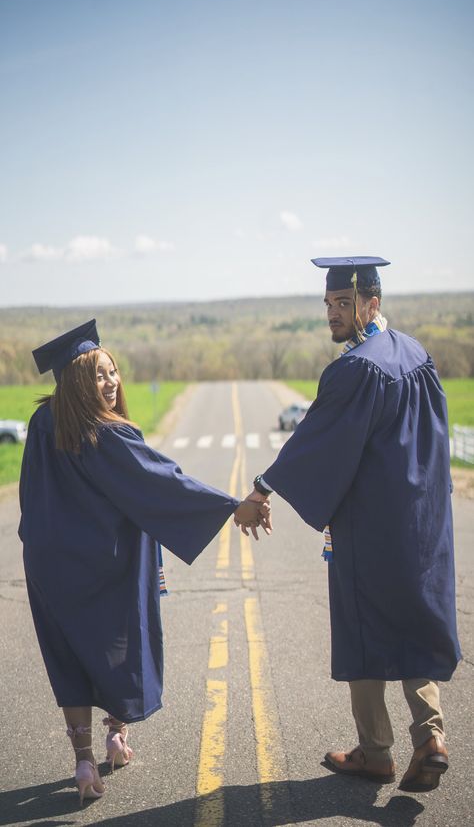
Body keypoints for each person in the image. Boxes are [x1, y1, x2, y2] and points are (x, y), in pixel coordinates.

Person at [20, 319, 269, 806]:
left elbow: (32, 496)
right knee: (121, 646)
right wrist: (230, 506)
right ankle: (116, 736)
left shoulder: (43, 422)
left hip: (51, 565)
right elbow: (162, 483)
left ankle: (85, 759)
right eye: (98, 375)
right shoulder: (104, 432)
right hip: (107, 564)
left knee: (68, 656)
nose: (111, 383)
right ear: (76, 381)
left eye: (112, 372)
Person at [236, 256, 461, 793]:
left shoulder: (354, 369)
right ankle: (430, 738)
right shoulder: (416, 355)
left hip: (370, 528)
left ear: (372, 303)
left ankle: (377, 751)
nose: (333, 314)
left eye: (344, 304)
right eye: (330, 304)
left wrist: (260, 490)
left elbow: (316, 440)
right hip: (423, 523)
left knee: (365, 629)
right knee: (416, 621)